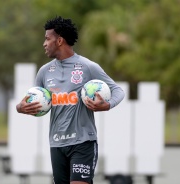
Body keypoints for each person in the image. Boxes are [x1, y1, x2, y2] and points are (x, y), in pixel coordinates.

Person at [16, 16, 125, 184]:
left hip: (83, 142)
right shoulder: (44, 72)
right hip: (57, 144)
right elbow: (31, 100)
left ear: (59, 41)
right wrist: (20, 108)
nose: (44, 44)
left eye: (47, 39)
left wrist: (107, 105)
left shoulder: (87, 67)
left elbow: (117, 90)